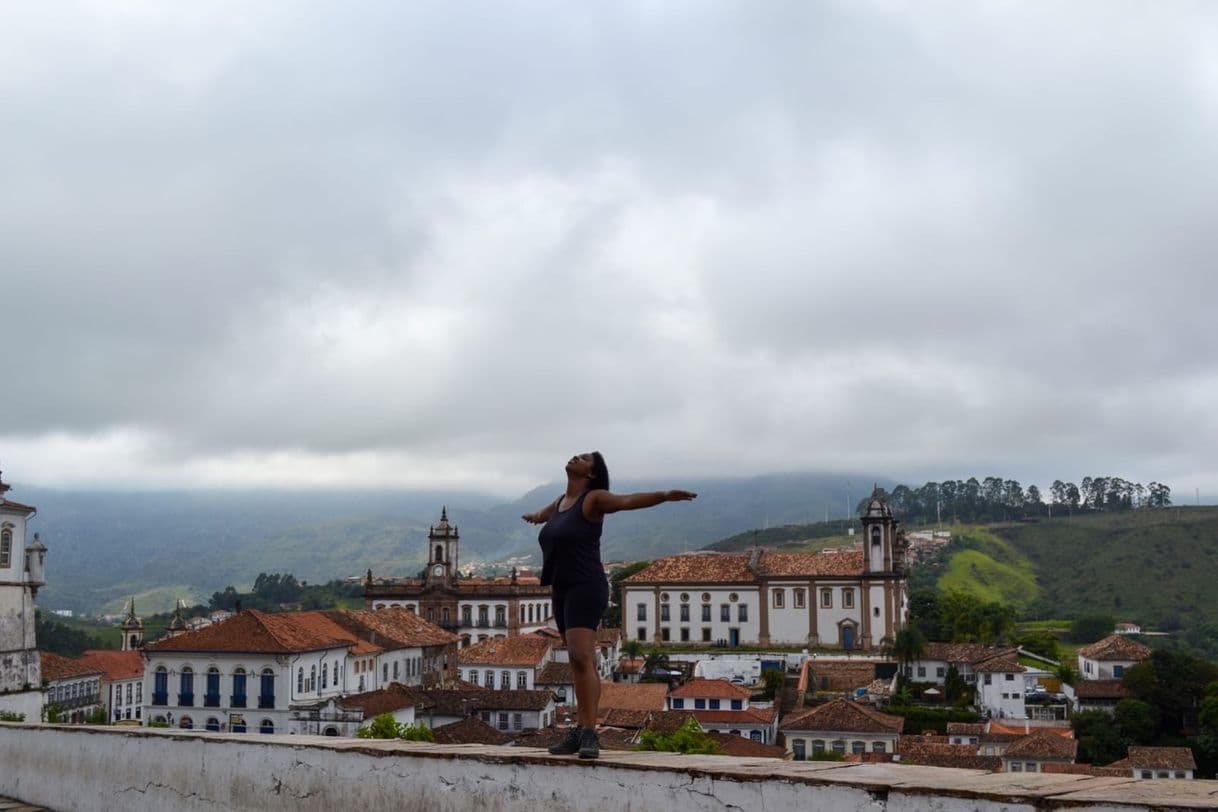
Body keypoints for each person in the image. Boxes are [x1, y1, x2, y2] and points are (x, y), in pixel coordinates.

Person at [522, 451, 696, 759]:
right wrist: (535, 516)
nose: (577, 456)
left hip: (585, 586)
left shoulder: (594, 499)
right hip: (561, 589)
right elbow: (545, 515)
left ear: (591, 473)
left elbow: (628, 501)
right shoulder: (561, 501)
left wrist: (665, 495)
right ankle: (580, 729)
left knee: (581, 656)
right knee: (576, 662)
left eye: (586, 457)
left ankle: (589, 732)